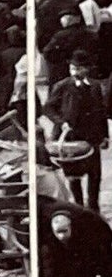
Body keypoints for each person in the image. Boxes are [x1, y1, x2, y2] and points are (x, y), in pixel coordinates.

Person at [47, 51, 109, 211]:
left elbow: (101, 112)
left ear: (87, 69)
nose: (75, 71)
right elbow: (48, 108)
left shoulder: (95, 86)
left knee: (94, 174)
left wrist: (105, 136)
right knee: (74, 175)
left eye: (79, 68)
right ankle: (79, 206)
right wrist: (61, 123)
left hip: (92, 136)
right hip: (71, 138)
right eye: (72, 68)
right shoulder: (62, 86)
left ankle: (94, 208)